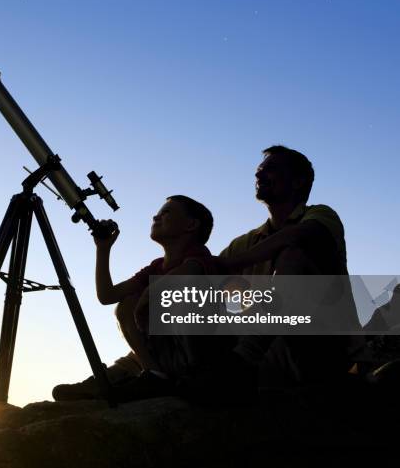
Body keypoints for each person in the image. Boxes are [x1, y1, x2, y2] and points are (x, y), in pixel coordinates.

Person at [52, 195, 221, 401]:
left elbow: (187, 275)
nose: (156, 217)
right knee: (126, 305)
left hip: (201, 354)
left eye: (166, 212)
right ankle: (154, 376)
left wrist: (148, 296)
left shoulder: (200, 257)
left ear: (191, 225)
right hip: (170, 355)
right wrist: (103, 250)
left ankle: (197, 378)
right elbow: (107, 296)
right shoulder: (156, 267)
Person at [218, 145, 362, 386]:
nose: (259, 175)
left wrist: (232, 263)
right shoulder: (246, 241)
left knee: (294, 252)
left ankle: (246, 357)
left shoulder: (321, 215)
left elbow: (297, 237)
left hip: (321, 345)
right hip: (271, 350)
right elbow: (212, 270)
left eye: (270, 169)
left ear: (298, 182)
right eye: (258, 170)